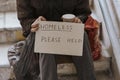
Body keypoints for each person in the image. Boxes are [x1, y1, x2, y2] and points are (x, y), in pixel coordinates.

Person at [16, 0, 96, 80]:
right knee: (46, 43)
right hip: (41, 34)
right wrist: (33, 24)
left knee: (82, 34)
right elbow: (24, 18)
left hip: (68, 32)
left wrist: (78, 19)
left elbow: (84, 13)